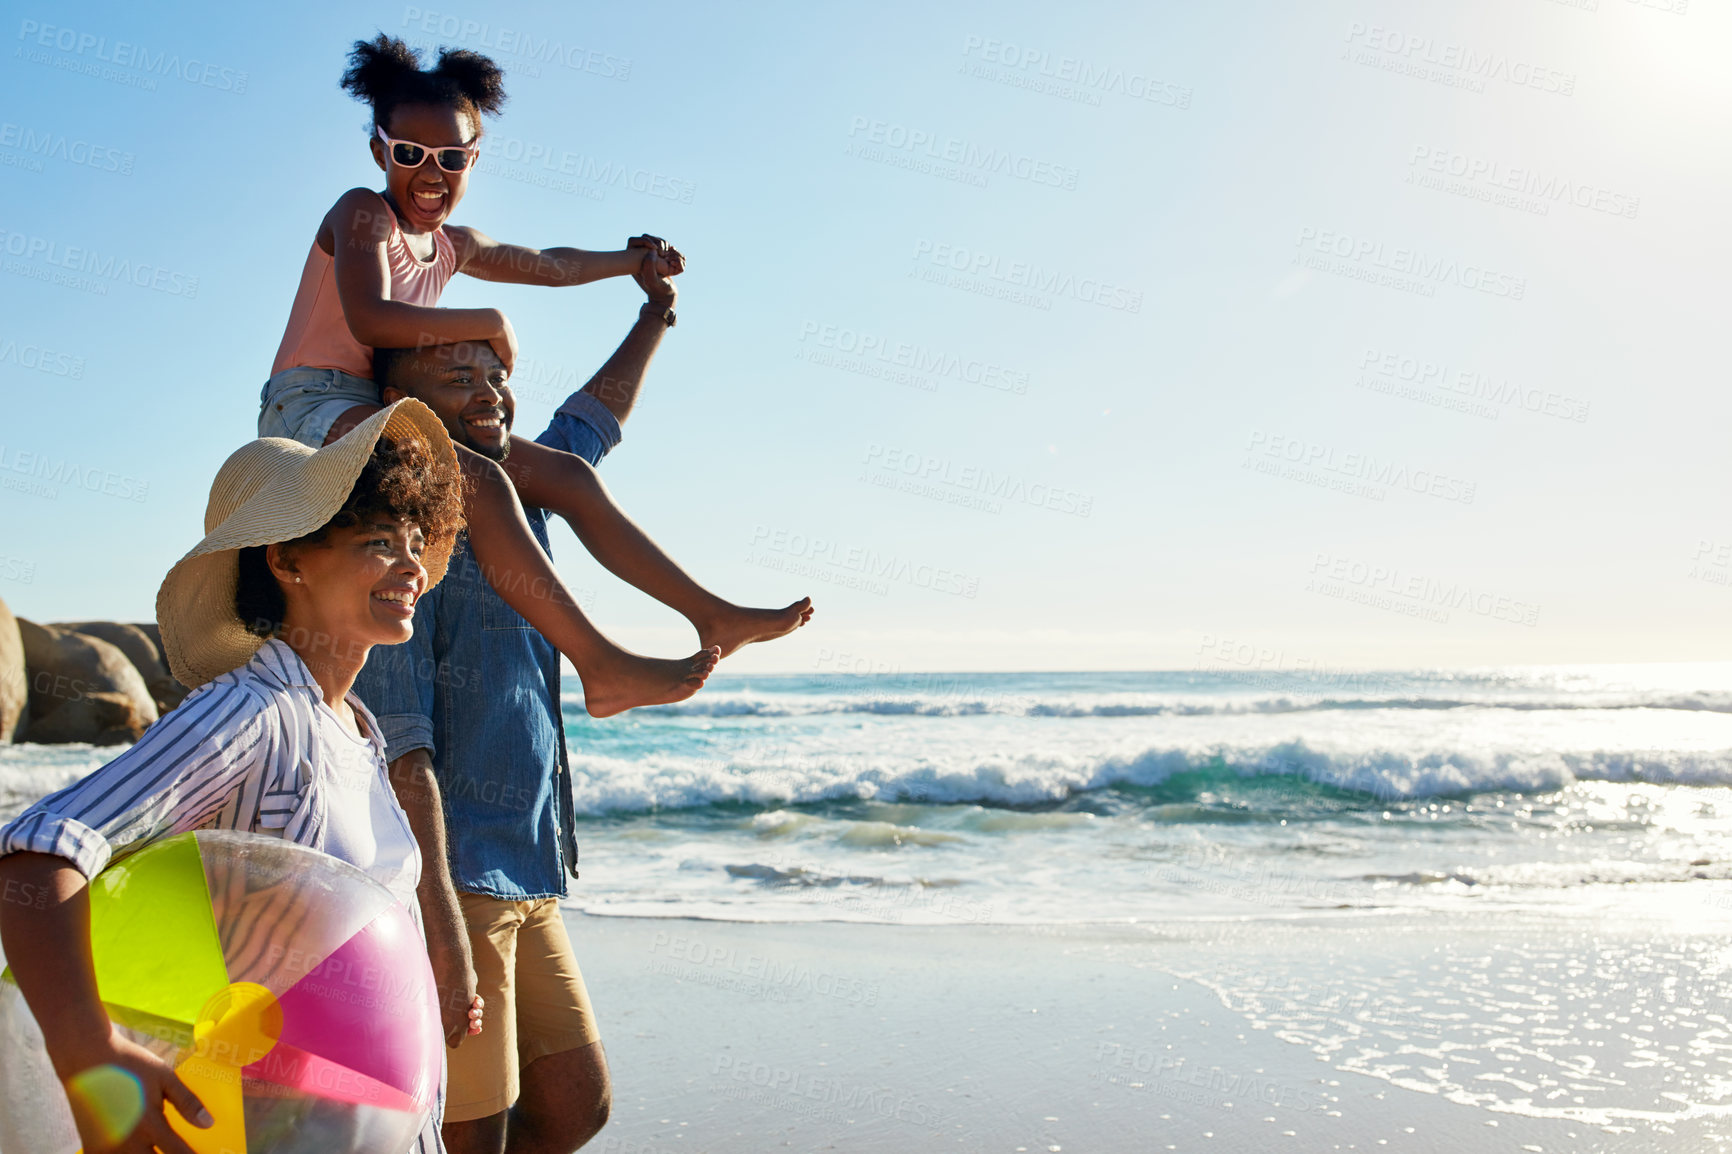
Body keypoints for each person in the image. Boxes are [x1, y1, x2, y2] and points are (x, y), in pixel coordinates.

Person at [262, 34, 808, 713]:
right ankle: (600, 666)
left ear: (475, 157)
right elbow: (371, 318)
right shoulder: (362, 213)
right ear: (380, 152)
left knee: (568, 476)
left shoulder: (450, 246)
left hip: (382, 404)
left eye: (453, 158)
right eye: (410, 155)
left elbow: (548, 263)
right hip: (310, 401)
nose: (432, 173)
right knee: (483, 483)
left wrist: (628, 262)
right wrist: (489, 319)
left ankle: (712, 615)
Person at [0, 401, 479, 1154]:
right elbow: (40, 849)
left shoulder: (355, 726)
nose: (414, 564)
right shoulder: (251, 712)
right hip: (272, 1123)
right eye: (379, 542)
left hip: (379, 1121)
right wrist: (90, 1061)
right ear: (287, 560)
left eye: (417, 541)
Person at [353, 274, 724, 1150]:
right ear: (403, 407)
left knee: (573, 1105)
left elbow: (591, 424)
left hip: (532, 869)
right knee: (469, 1135)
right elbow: (402, 747)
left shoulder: (524, 497)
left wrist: (653, 318)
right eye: (457, 381)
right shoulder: (410, 547)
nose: (489, 394)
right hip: (461, 882)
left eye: (495, 376)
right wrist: (440, 918)